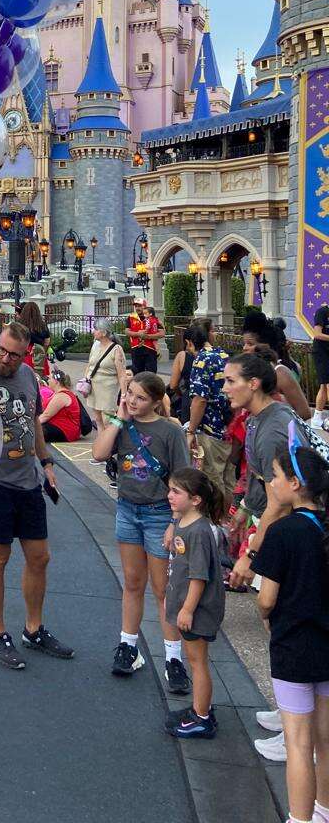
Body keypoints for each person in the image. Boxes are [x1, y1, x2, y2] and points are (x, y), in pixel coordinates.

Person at [0, 322, 74, 669]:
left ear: (26, 355)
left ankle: (33, 629)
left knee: (40, 557)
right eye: (2, 351)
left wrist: (47, 461)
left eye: (15, 355)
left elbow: (35, 422)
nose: (6, 360)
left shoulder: (27, 376)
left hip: (27, 479)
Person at [92, 372, 192, 692]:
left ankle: (173, 658)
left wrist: (174, 522)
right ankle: (128, 646)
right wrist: (119, 420)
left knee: (163, 589)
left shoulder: (169, 432)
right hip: (127, 510)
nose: (132, 402)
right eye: (130, 394)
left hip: (158, 514)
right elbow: (98, 453)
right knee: (133, 582)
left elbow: (182, 479)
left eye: (140, 398)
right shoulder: (123, 424)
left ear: (155, 402)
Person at [253, 444, 329, 822]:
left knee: (298, 743)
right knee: (326, 741)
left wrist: (263, 614)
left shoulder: (283, 532)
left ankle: (298, 819)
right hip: (327, 645)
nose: (272, 482)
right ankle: (322, 813)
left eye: (277, 476)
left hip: (293, 646)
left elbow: (267, 598)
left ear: (295, 484)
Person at [164, 468, 227, 739]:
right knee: (195, 659)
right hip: (186, 603)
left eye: (176, 492)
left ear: (196, 499)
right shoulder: (183, 522)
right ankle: (200, 708)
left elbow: (199, 576)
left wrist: (187, 609)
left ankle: (202, 717)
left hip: (197, 609)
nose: (169, 496)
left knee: (197, 661)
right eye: (170, 490)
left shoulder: (198, 532)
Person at [227, 352, 296, 593]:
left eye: (231, 381)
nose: (225, 388)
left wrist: (251, 554)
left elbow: (279, 505)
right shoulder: (261, 417)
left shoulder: (271, 432)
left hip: (283, 527)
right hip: (271, 520)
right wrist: (246, 506)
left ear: (253, 384)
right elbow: (260, 477)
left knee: (270, 606)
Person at [186, 323, 233, 504]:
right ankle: (230, 519)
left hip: (211, 429)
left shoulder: (201, 361)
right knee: (229, 478)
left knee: (213, 479)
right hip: (231, 426)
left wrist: (191, 430)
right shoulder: (224, 355)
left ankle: (217, 521)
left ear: (190, 343)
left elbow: (200, 399)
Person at [83, 320, 128, 432]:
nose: (93, 331)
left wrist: (123, 395)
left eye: (96, 329)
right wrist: (85, 381)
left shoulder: (116, 349)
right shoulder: (95, 346)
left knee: (108, 419)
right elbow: (90, 365)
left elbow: (122, 374)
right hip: (93, 386)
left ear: (103, 333)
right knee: (98, 418)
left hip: (108, 388)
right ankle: (101, 443)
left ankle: (115, 442)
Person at [39, 369, 82, 443]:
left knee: (34, 431)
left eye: (50, 378)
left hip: (65, 430)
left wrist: (31, 425)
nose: (48, 381)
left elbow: (46, 415)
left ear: (56, 381)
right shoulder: (56, 393)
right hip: (56, 426)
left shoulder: (62, 396)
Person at [127, 298, 163, 374]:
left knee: (151, 373)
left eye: (139, 306)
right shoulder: (131, 317)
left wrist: (148, 336)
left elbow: (162, 333)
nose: (137, 308)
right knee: (137, 374)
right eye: (136, 306)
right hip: (136, 349)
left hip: (150, 349)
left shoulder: (153, 318)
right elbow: (127, 332)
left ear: (145, 306)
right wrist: (138, 334)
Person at [312, 303, 329, 429]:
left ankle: (317, 418)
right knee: (327, 384)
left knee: (323, 386)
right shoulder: (322, 312)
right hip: (322, 352)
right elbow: (317, 334)